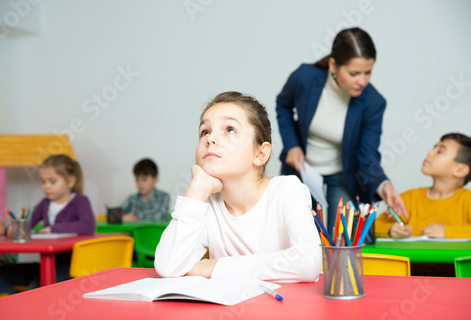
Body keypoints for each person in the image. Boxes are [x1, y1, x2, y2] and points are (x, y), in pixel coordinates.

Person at [155, 91, 322, 282]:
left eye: (230, 129)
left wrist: (214, 267)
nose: (210, 139)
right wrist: (197, 190)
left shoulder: (287, 190)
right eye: (205, 132)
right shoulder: (206, 203)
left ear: (260, 154)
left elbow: (309, 262)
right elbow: (168, 266)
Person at [276, 27, 407, 232]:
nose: (362, 81)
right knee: (300, 235)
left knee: (343, 240)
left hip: (343, 175)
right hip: (303, 170)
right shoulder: (304, 77)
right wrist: (292, 146)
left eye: (368, 72)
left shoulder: (373, 102)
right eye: (354, 73)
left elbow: (368, 156)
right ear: (333, 65)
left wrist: (384, 185)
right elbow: (283, 106)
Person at [0, 154, 95, 294]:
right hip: (46, 264)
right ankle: (18, 307)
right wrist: (11, 229)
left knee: (37, 287)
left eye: (52, 182)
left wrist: (53, 229)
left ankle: (28, 310)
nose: (46, 187)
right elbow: (28, 224)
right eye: (43, 182)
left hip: (71, 266)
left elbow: (88, 226)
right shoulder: (44, 204)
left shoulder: (80, 201)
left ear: (70, 181)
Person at [376, 133, 471, 239]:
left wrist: (447, 232)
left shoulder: (467, 200)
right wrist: (390, 229)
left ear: (460, 170)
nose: (429, 152)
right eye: (434, 148)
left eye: (439, 151)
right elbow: (373, 226)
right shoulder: (410, 198)